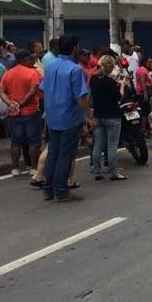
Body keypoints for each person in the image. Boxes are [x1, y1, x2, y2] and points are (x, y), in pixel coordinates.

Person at [39, 34, 89, 202]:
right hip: (69, 117)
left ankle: (48, 188)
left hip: (52, 116)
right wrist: (89, 115)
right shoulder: (75, 69)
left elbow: (43, 89)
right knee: (65, 155)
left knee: (53, 152)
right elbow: (80, 97)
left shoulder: (50, 66)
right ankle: (61, 190)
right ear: (74, 49)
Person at [0, 49, 43, 175]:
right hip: (31, 111)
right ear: (24, 59)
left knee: (16, 141)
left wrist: (10, 103)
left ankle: (15, 168)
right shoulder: (32, 73)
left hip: (14, 113)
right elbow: (33, 90)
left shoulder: (8, 74)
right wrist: (22, 103)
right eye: (29, 58)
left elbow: (1, 91)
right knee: (34, 141)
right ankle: (33, 167)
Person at [89, 55, 127, 181]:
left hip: (98, 115)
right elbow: (119, 97)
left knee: (98, 144)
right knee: (112, 146)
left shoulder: (93, 79)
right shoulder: (111, 82)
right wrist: (122, 85)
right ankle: (114, 172)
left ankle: (97, 171)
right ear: (109, 66)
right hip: (112, 116)